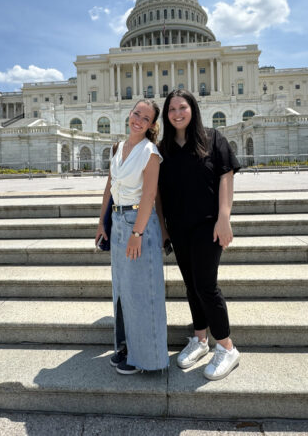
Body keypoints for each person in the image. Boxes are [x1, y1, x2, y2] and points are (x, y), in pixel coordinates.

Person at [157, 89, 240, 381]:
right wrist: (164, 229)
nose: (177, 113)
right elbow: (158, 194)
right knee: (191, 285)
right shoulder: (163, 148)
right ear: (166, 115)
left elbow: (226, 176)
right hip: (179, 227)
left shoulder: (212, 138)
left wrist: (224, 219)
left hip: (209, 224)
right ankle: (200, 339)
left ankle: (227, 347)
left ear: (193, 109)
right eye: (171, 109)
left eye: (183, 107)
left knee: (206, 285)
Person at [95, 99, 169, 375]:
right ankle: (128, 347)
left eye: (145, 118)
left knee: (142, 292)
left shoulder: (150, 152)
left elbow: (149, 195)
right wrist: (102, 222)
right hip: (117, 220)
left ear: (151, 125)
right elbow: (109, 188)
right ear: (130, 114)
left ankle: (146, 359)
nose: (138, 119)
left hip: (139, 222)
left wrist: (137, 233)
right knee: (123, 291)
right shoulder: (119, 147)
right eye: (136, 113)